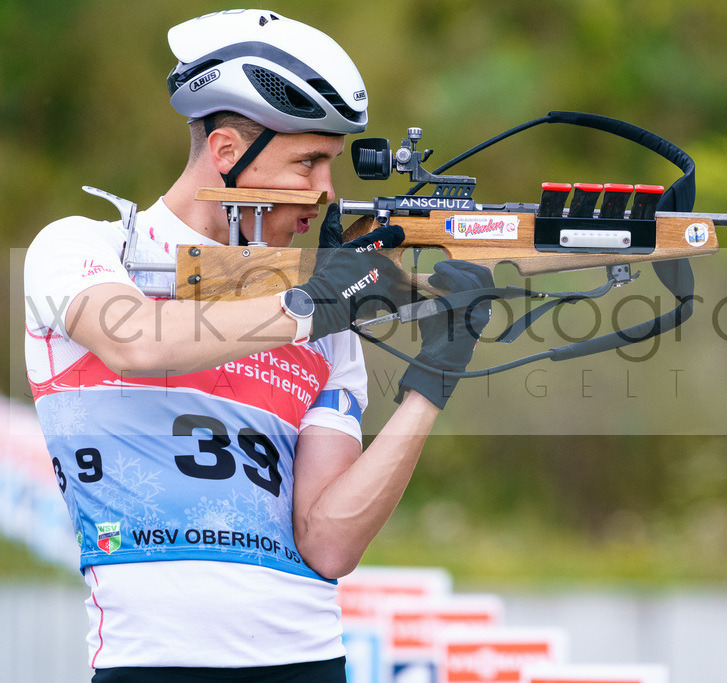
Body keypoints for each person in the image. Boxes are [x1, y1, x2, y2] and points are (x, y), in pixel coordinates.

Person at [24, 9, 491, 681]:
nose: (327, 191)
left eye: (330, 163)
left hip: (307, 660)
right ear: (225, 154)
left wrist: (432, 377)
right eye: (308, 162)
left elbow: (328, 542)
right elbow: (133, 340)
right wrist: (313, 305)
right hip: (147, 663)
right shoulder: (87, 247)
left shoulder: (323, 312)